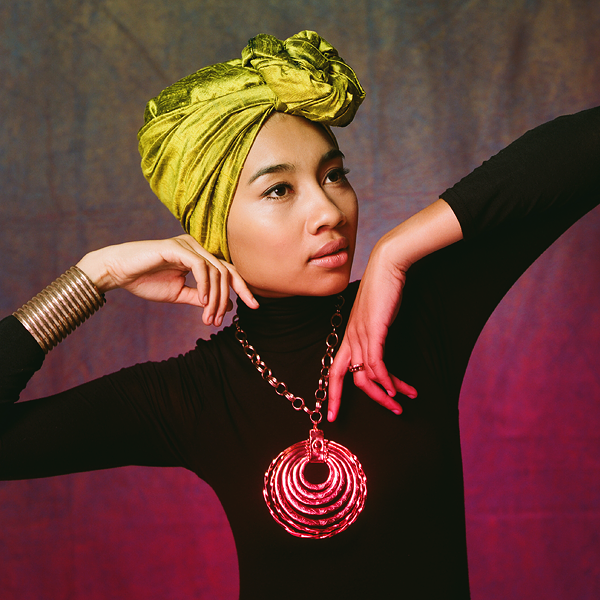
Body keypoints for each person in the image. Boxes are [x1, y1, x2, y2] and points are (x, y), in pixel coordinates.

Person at [1, 30, 598, 599]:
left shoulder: (418, 312)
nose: (329, 211)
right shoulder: (192, 395)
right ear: (212, 229)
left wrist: (397, 250)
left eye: (334, 175)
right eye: (279, 190)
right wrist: (94, 275)